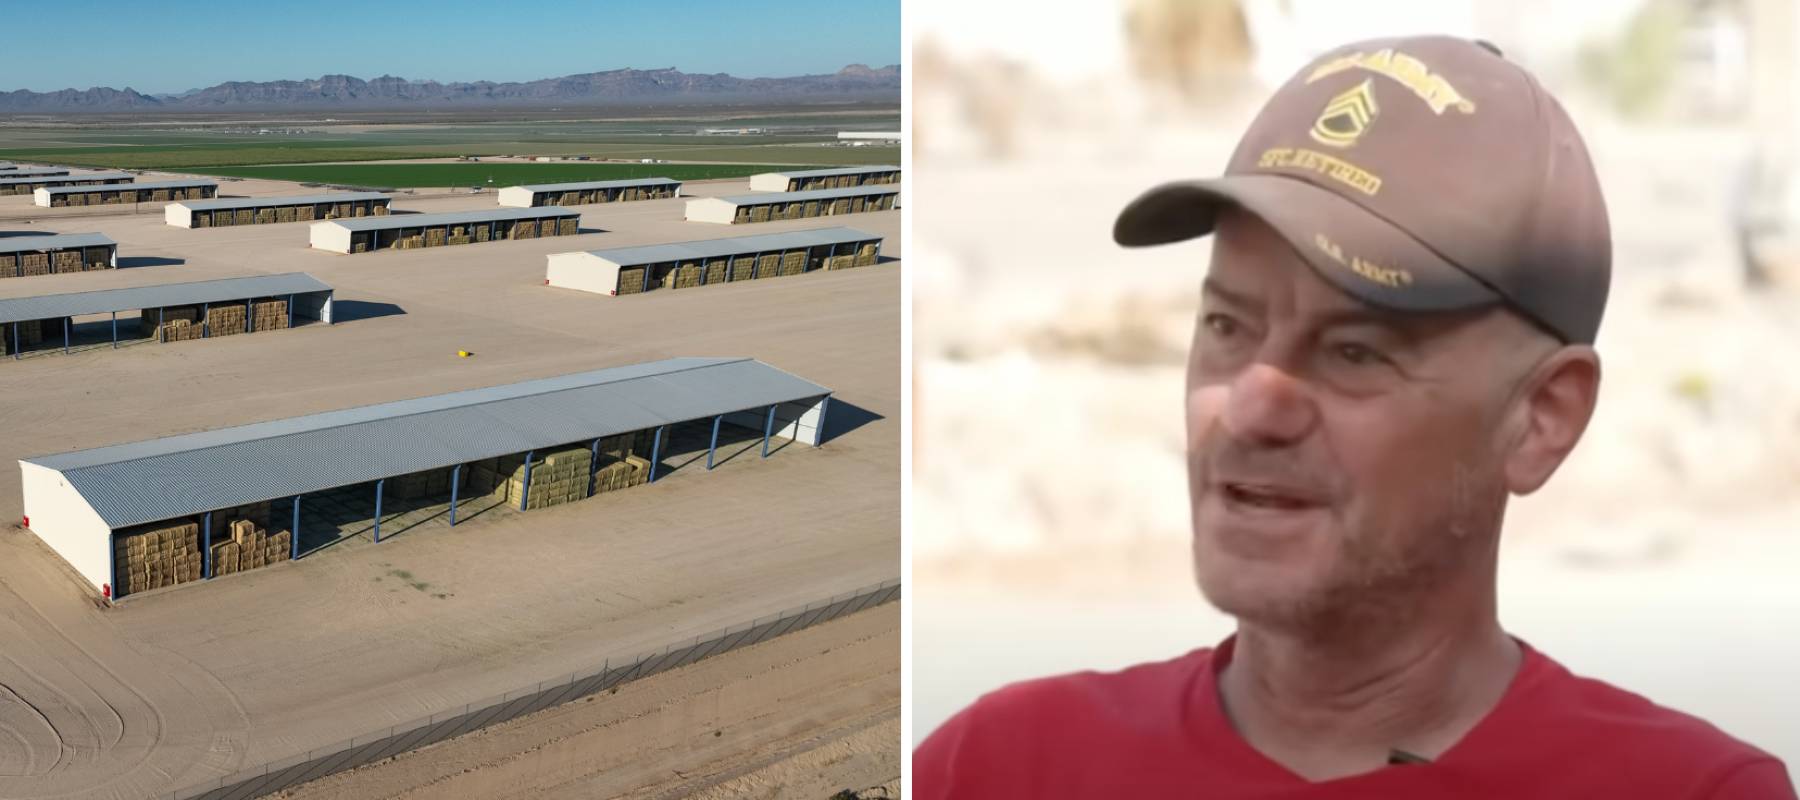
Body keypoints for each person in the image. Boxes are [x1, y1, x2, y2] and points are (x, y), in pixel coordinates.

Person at [912, 35, 1794, 798]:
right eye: (1227, 326)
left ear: (1540, 418)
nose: (1251, 405)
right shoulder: (996, 768)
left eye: (1354, 351)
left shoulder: (1682, 792)